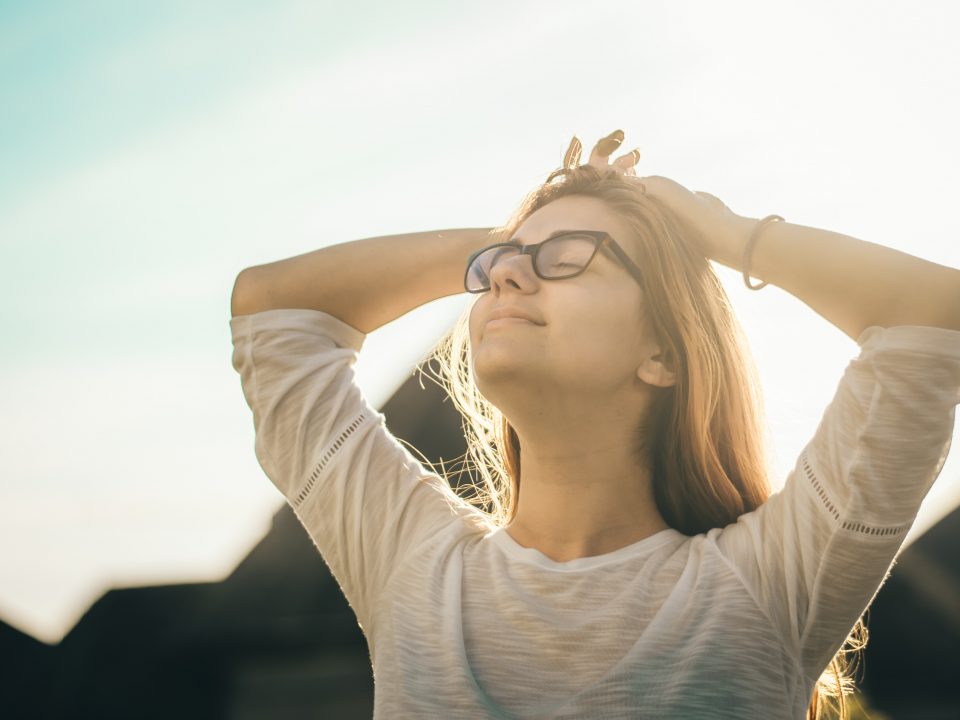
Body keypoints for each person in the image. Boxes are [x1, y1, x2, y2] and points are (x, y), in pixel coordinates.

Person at [229, 129, 960, 719]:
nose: (509, 276)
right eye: (500, 267)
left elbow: (933, 315)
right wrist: (516, 235)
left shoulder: (767, 583)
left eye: (569, 259)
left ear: (663, 354)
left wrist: (727, 235)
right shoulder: (412, 564)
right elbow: (271, 307)